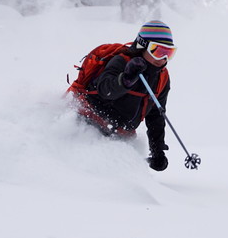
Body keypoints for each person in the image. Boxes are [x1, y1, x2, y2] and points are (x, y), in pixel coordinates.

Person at [71, 20, 177, 171]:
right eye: (158, 51)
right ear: (142, 45)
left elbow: (156, 115)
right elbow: (105, 90)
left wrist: (157, 151)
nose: (163, 58)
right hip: (89, 125)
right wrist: (126, 79)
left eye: (168, 53)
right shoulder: (122, 61)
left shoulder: (161, 77)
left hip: (120, 135)